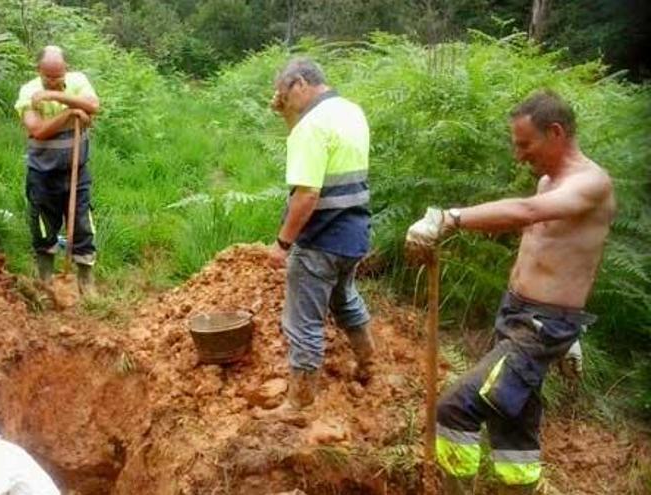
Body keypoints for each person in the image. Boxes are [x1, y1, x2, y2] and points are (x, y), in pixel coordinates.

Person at [405, 90, 616, 494]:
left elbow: (527, 213)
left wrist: (450, 218)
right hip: (520, 315)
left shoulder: (592, 183)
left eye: (524, 143)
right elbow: (552, 252)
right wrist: (569, 336)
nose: (518, 155)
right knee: (512, 426)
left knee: (454, 409)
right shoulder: (548, 180)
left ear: (555, 132)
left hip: (541, 326)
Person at [263, 58, 375, 416]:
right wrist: (288, 116)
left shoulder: (309, 127)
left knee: (302, 321)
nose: (283, 102)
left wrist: (282, 244)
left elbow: (307, 193)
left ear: (299, 83)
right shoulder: (351, 111)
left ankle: (300, 403)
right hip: (354, 233)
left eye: (284, 95)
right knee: (344, 300)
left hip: (320, 240)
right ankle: (368, 363)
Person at [14, 45, 100, 295]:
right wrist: (71, 114)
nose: (53, 81)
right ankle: (46, 281)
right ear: (38, 70)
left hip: (76, 169)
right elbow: (37, 130)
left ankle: (85, 281)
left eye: (57, 76)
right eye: (47, 77)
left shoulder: (78, 81)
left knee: (83, 224)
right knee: (43, 226)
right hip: (42, 173)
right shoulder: (28, 91)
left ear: (66, 70)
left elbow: (93, 107)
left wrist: (58, 98)